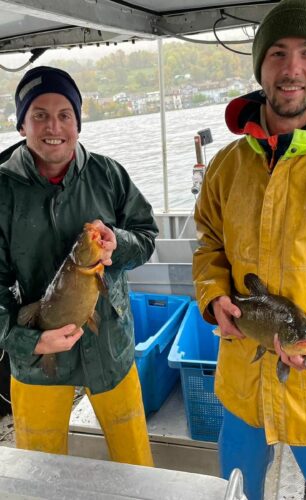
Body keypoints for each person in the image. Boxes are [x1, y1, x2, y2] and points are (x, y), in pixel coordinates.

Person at [192, 0, 306, 499]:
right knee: (236, 489)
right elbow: (208, 244)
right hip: (243, 380)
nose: (292, 69)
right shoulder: (226, 166)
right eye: (277, 53)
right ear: (260, 66)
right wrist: (213, 297)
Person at [0, 66, 158, 465]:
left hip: (109, 347)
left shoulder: (109, 174)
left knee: (136, 461)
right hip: (36, 355)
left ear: (78, 123)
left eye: (64, 114)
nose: (54, 126)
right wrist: (28, 342)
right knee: (38, 469)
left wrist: (116, 245)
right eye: (39, 115)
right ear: (21, 125)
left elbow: (146, 237)